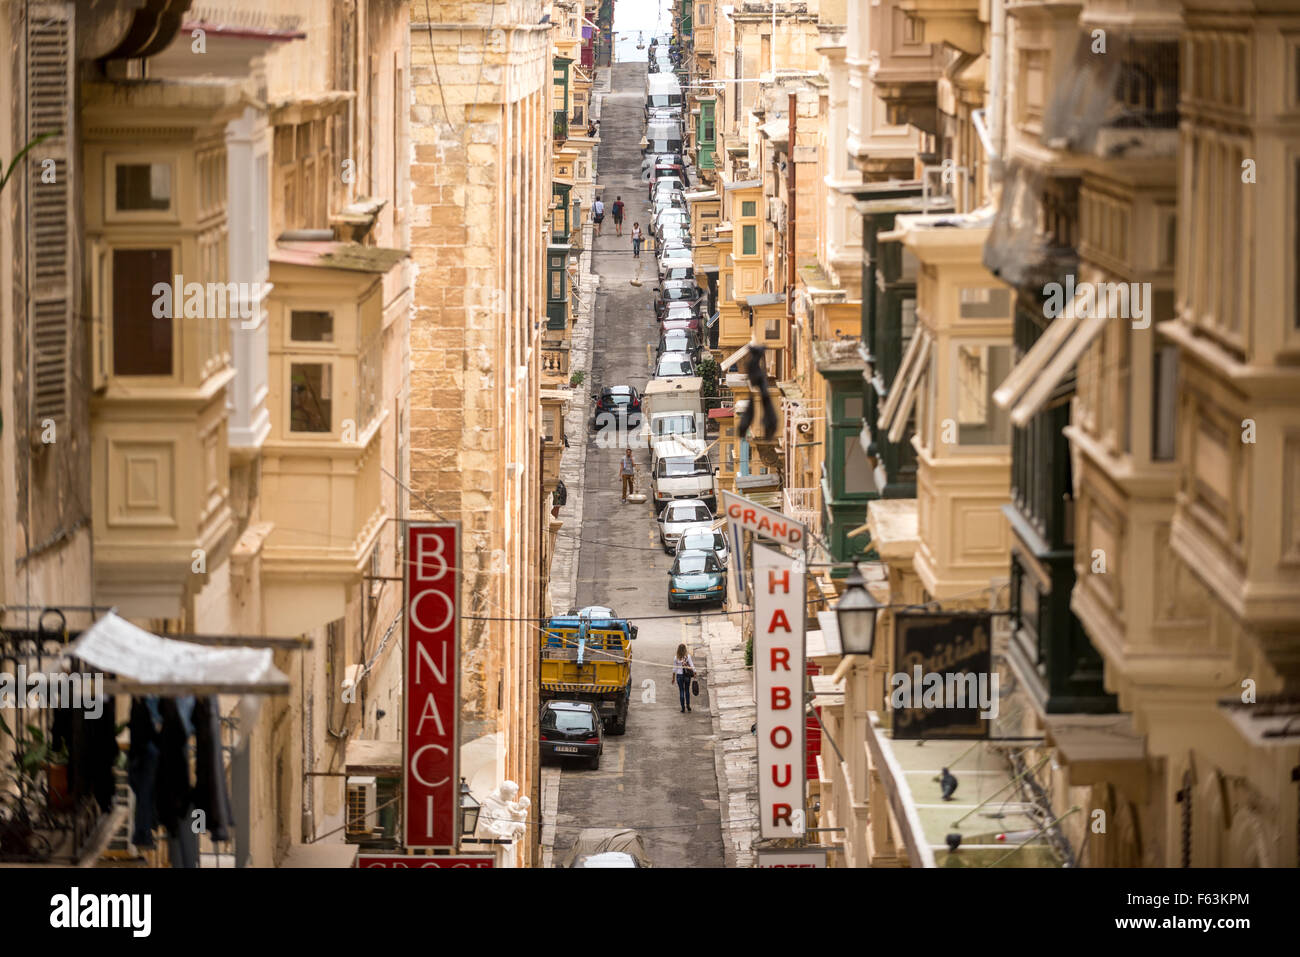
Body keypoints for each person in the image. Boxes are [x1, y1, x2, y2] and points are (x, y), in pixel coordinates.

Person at [672, 644, 696, 713]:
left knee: (681, 691)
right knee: (687, 690)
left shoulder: (676, 658)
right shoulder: (687, 657)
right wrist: (695, 672)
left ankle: (683, 708)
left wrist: (673, 678)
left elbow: (674, 669)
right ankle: (688, 705)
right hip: (687, 676)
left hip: (679, 676)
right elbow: (692, 665)